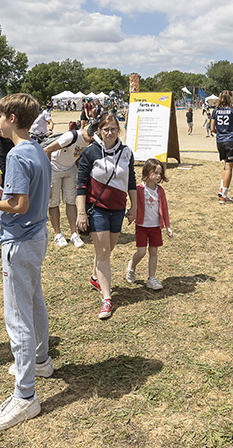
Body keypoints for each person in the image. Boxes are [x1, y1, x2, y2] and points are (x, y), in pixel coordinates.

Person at [0, 93, 53, 432]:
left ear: (11, 118)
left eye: (0, 116)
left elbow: (18, 204)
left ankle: (25, 397)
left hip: (20, 241)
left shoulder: (19, 154)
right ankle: (41, 360)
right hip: (36, 237)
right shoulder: (36, 148)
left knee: (18, 315)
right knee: (34, 300)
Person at [75, 113, 137, 320]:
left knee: (108, 249)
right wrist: (81, 213)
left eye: (113, 129)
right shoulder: (90, 152)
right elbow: (81, 185)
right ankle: (107, 299)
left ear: (118, 130)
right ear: (99, 131)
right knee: (103, 252)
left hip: (118, 209)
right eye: (105, 129)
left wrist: (135, 206)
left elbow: (131, 182)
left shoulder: (127, 153)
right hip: (97, 208)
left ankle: (95, 277)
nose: (109, 133)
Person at [42, 120, 97, 248]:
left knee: (71, 201)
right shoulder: (72, 136)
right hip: (54, 168)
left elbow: (76, 155)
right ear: (95, 136)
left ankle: (73, 233)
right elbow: (47, 150)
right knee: (54, 202)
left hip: (70, 169)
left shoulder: (89, 143)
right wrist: (48, 176)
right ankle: (58, 234)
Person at [125, 158, 174, 290]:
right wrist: (130, 214)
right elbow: (133, 206)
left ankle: (152, 278)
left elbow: (165, 209)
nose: (158, 176)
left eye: (160, 173)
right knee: (141, 252)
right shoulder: (139, 189)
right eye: (155, 173)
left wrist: (167, 226)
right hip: (141, 226)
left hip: (155, 227)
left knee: (153, 252)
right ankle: (132, 266)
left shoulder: (160, 191)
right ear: (147, 172)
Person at [210, 90, 233, 203]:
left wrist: (220, 133)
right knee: (229, 168)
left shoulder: (215, 111)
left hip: (220, 141)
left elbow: (212, 129)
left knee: (225, 165)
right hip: (230, 140)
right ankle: (224, 196)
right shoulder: (232, 110)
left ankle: (222, 189)